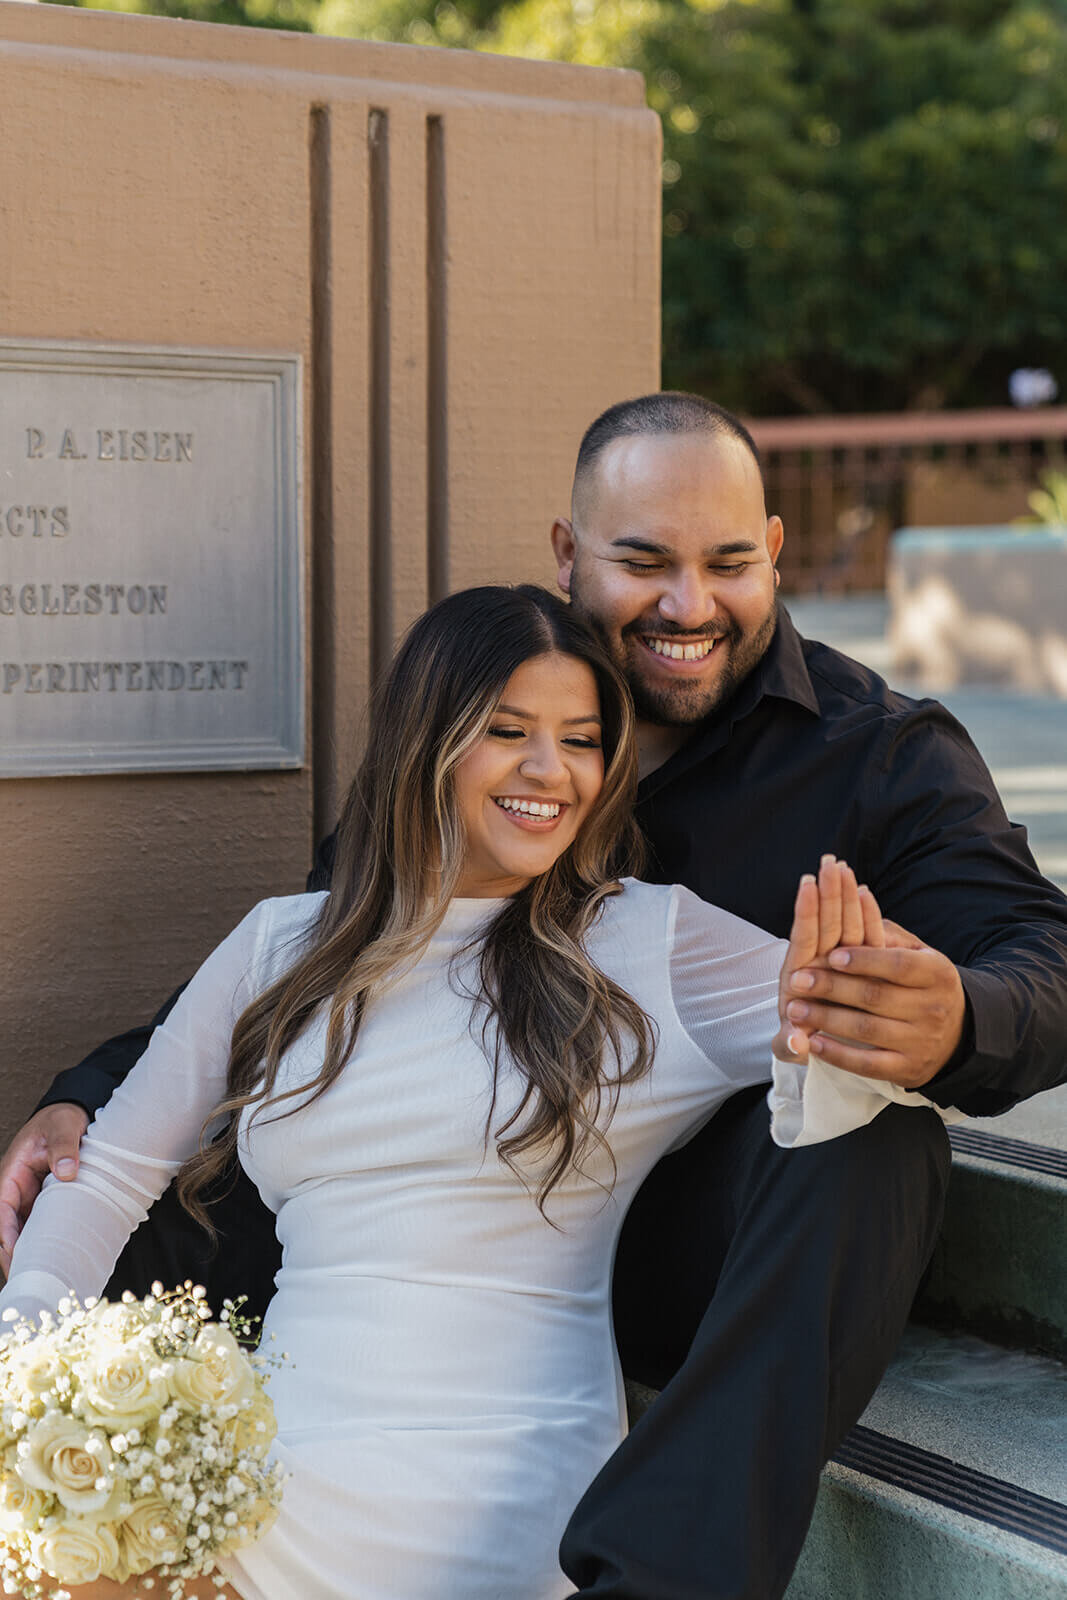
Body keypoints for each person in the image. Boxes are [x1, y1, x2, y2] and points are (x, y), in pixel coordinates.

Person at [5, 392, 1067, 1598]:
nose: (686, 604)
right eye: (643, 563)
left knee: (876, 1138)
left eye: (726, 563)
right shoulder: (433, 800)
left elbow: (1027, 961)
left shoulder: (872, 760)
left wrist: (951, 1017)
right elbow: (321, 973)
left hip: (694, 1240)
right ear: (569, 555)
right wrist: (90, 1103)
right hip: (390, 1247)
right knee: (114, 1222)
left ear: (773, 552)